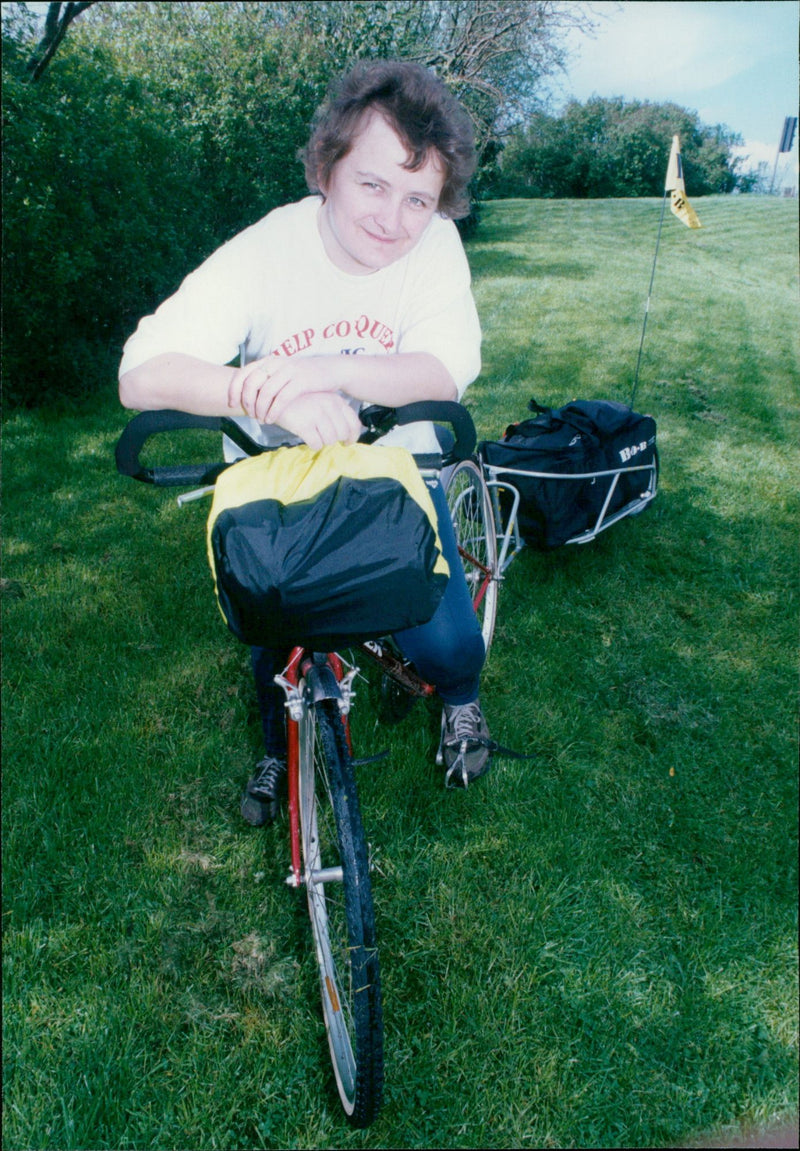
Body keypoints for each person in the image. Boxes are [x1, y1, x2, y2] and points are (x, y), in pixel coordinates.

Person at [119, 59, 491, 823]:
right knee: (273, 633)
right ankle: (276, 744)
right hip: (279, 482)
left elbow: (443, 370)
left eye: (418, 198)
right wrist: (255, 391)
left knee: (445, 641)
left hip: (395, 470)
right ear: (327, 169)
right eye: (373, 184)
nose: (393, 219)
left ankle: (461, 699)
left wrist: (320, 371)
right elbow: (140, 374)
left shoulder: (434, 245)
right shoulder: (266, 251)